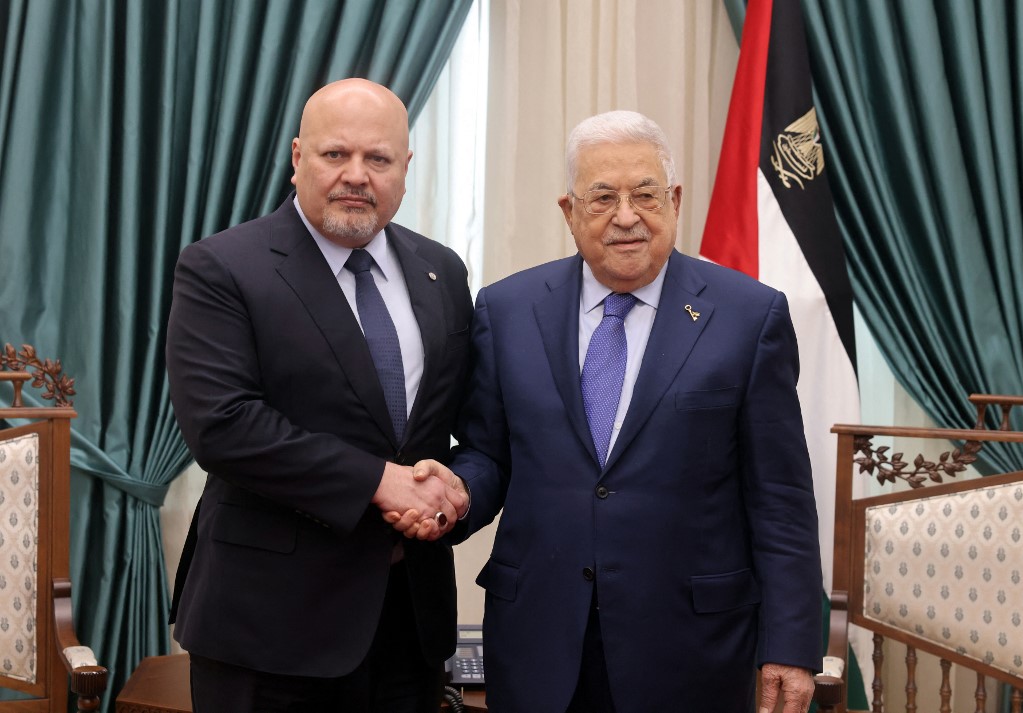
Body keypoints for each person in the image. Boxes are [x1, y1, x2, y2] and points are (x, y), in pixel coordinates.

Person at [398, 110, 822, 713]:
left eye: (644, 194)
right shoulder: (507, 308)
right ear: (569, 212)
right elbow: (490, 453)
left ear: (673, 200)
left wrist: (791, 644)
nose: (626, 216)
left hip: (691, 649)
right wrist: (457, 492)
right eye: (602, 198)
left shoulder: (749, 318)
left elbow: (780, 498)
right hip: (540, 639)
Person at [165, 78, 472, 713]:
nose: (356, 176)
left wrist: (452, 492)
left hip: (409, 622)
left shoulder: (442, 271)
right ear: (299, 156)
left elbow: (457, 419)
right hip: (268, 627)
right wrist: (377, 481)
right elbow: (224, 426)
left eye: (378, 159)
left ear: (406, 168)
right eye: (336, 155)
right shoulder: (222, 267)